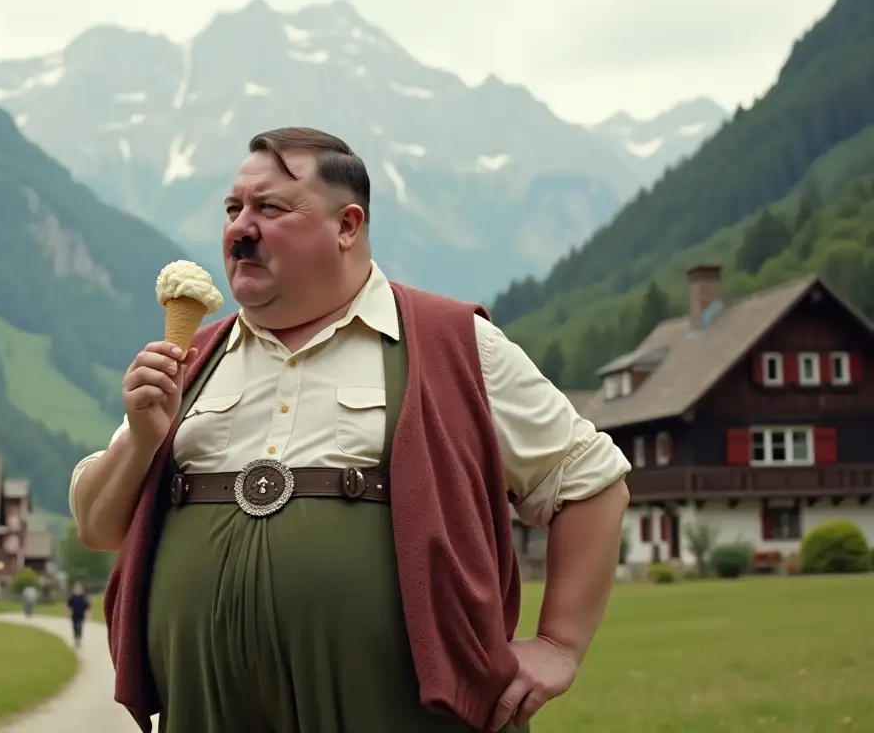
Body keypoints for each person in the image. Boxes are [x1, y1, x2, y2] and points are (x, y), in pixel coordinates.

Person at [70, 127, 633, 733]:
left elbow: (589, 480)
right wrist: (143, 436)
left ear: (347, 226)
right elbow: (97, 525)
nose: (240, 228)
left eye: (270, 207)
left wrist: (559, 643)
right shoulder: (193, 358)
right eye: (233, 209)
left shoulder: (452, 344)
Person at [66, 582, 91, 649]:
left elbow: (87, 607)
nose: (78, 590)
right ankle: (76, 638)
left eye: (79, 589)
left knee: (80, 627)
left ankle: (79, 639)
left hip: (81, 615)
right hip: (74, 615)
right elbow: (68, 606)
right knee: (75, 627)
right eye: (76, 589)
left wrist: (88, 615)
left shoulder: (83, 598)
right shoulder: (72, 598)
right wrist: (68, 614)